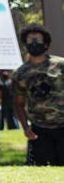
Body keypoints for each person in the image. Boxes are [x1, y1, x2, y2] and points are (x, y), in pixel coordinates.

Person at [13, 24, 63, 165]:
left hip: (62, 124)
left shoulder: (60, 65)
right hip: (39, 129)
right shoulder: (20, 73)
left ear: (46, 44)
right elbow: (19, 103)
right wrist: (25, 127)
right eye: (30, 40)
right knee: (44, 167)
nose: (34, 44)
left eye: (38, 40)